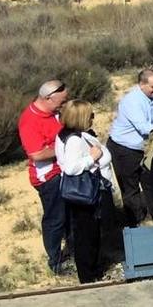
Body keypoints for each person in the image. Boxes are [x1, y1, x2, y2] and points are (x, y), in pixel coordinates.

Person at [54, 99, 114, 284]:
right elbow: (71, 167)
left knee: (90, 232)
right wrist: (92, 158)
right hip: (85, 193)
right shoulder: (73, 140)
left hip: (91, 191)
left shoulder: (74, 134)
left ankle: (93, 270)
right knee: (85, 234)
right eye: (90, 115)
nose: (93, 118)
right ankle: (88, 275)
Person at [18, 79, 71, 274]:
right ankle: (55, 261)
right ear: (49, 98)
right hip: (48, 176)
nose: (64, 104)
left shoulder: (54, 113)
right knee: (55, 218)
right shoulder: (30, 121)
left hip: (65, 170)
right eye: (62, 100)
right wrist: (65, 148)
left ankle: (72, 248)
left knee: (70, 214)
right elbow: (37, 154)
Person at [107, 69, 153, 226]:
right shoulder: (132, 101)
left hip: (146, 148)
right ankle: (136, 223)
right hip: (124, 148)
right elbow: (145, 128)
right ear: (141, 85)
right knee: (130, 187)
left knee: (152, 183)